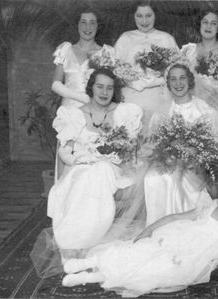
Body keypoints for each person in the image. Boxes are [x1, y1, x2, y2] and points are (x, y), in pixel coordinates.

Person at [60, 182, 218, 298]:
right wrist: (149, 229)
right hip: (176, 238)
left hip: (194, 258)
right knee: (138, 252)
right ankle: (86, 264)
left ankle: (87, 278)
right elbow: (175, 217)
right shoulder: (209, 209)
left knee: (154, 270)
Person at [31, 68, 144, 278]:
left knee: (99, 172)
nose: (104, 92)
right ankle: (76, 248)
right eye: (100, 86)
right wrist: (81, 159)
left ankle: (80, 247)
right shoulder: (73, 114)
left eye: (109, 88)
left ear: (114, 91)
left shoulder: (125, 113)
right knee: (83, 178)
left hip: (113, 169)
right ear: (91, 87)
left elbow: (130, 154)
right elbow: (65, 152)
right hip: (80, 167)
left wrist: (113, 154)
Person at [143, 63, 218, 226]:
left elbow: (216, 149)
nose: (178, 83)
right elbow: (153, 144)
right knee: (152, 177)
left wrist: (194, 153)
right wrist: (165, 153)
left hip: (195, 166)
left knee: (175, 178)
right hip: (166, 162)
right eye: (173, 79)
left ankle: (177, 227)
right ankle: (156, 226)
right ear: (168, 83)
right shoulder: (161, 112)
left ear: (190, 81)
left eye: (182, 78)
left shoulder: (205, 110)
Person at [114, 0, 179, 130]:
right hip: (131, 96)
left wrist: (159, 78)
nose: (144, 21)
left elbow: (177, 71)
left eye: (148, 15)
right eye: (139, 16)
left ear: (155, 15)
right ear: (133, 16)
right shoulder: (125, 38)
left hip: (159, 97)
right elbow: (115, 70)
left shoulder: (166, 38)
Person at [51, 9, 114, 108]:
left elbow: (111, 85)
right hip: (68, 110)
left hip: (95, 110)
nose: (87, 27)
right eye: (83, 22)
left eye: (92, 23)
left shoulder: (107, 53)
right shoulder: (66, 49)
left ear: (98, 26)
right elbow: (55, 84)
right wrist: (84, 98)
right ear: (77, 25)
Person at [181, 8, 218, 113]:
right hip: (192, 107)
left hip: (217, 106)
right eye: (205, 22)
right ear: (200, 25)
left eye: (213, 23)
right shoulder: (188, 51)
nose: (208, 26)